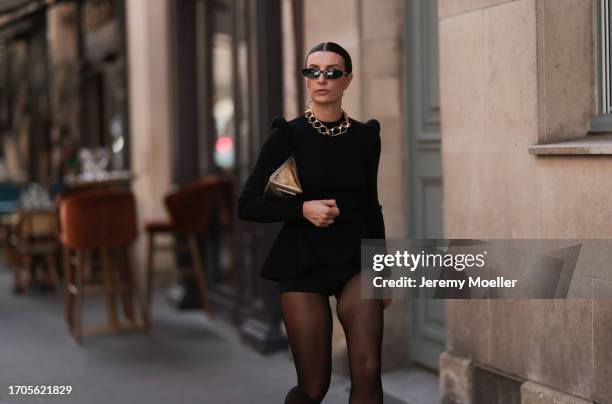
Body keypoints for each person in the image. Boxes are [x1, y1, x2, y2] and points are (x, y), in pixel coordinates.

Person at [237, 41, 390, 404]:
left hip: (354, 259)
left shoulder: (366, 137)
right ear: (306, 79)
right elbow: (247, 204)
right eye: (313, 71)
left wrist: (382, 268)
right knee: (313, 386)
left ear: (347, 80)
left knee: (368, 371)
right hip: (301, 261)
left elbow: (371, 205)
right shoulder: (286, 136)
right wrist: (301, 209)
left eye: (332, 72)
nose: (322, 79)